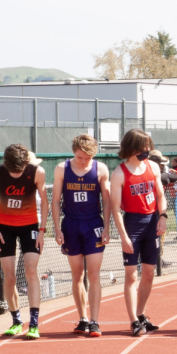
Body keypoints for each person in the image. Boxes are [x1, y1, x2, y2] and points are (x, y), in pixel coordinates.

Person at [51, 135, 111, 337]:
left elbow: (107, 200)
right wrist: (57, 228)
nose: (83, 161)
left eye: (87, 158)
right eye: (79, 157)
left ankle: (95, 321)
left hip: (93, 224)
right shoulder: (62, 169)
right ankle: (83, 318)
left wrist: (106, 227)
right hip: (71, 225)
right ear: (73, 152)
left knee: (94, 275)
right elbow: (56, 200)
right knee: (77, 275)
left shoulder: (101, 169)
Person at [109, 129, 167, 337]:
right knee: (131, 275)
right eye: (144, 147)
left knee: (149, 273)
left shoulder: (152, 166)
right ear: (132, 148)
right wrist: (123, 236)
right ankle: (133, 320)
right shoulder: (119, 174)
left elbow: (160, 195)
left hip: (152, 221)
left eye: (149, 147)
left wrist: (163, 216)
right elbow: (115, 208)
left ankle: (141, 314)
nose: (148, 150)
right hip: (132, 224)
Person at [0, 145, 48, 339]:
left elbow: (44, 201)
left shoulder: (37, 172)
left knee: (30, 270)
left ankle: (34, 324)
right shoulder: (0, 173)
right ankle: (16, 321)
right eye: (13, 170)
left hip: (30, 227)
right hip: (4, 228)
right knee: (9, 276)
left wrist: (42, 230)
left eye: (20, 170)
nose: (16, 173)